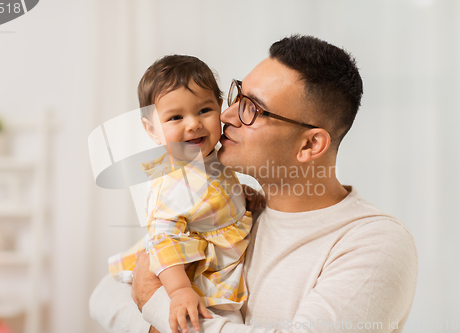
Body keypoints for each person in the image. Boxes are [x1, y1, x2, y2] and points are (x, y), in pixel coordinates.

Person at [90, 35, 418, 333]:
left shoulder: (374, 242)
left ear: (309, 145)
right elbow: (107, 291)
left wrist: (157, 306)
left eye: (253, 109)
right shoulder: (229, 205)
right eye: (236, 96)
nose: (226, 116)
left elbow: (144, 289)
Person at [105, 55, 265, 333]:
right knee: (219, 320)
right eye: (176, 117)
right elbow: (163, 240)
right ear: (153, 131)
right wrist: (179, 291)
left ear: (220, 108)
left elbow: (219, 189)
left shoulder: (214, 156)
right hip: (191, 272)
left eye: (204, 110)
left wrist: (243, 194)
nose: (193, 124)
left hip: (219, 252)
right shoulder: (171, 185)